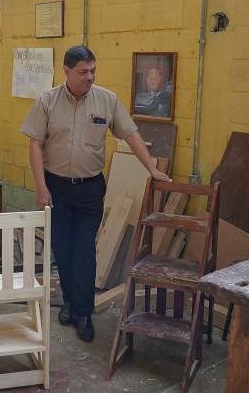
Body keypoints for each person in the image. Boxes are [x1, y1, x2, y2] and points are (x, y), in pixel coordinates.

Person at [20, 46, 171, 342]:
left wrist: (151, 170)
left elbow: (130, 134)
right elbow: (35, 144)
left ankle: (85, 312)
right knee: (63, 248)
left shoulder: (107, 100)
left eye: (93, 71)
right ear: (66, 71)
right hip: (56, 186)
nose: (89, 77)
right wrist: (41, 186)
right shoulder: (47, 102)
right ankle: (69, 303)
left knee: (85, 249)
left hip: (90, 188)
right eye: (83, 72)